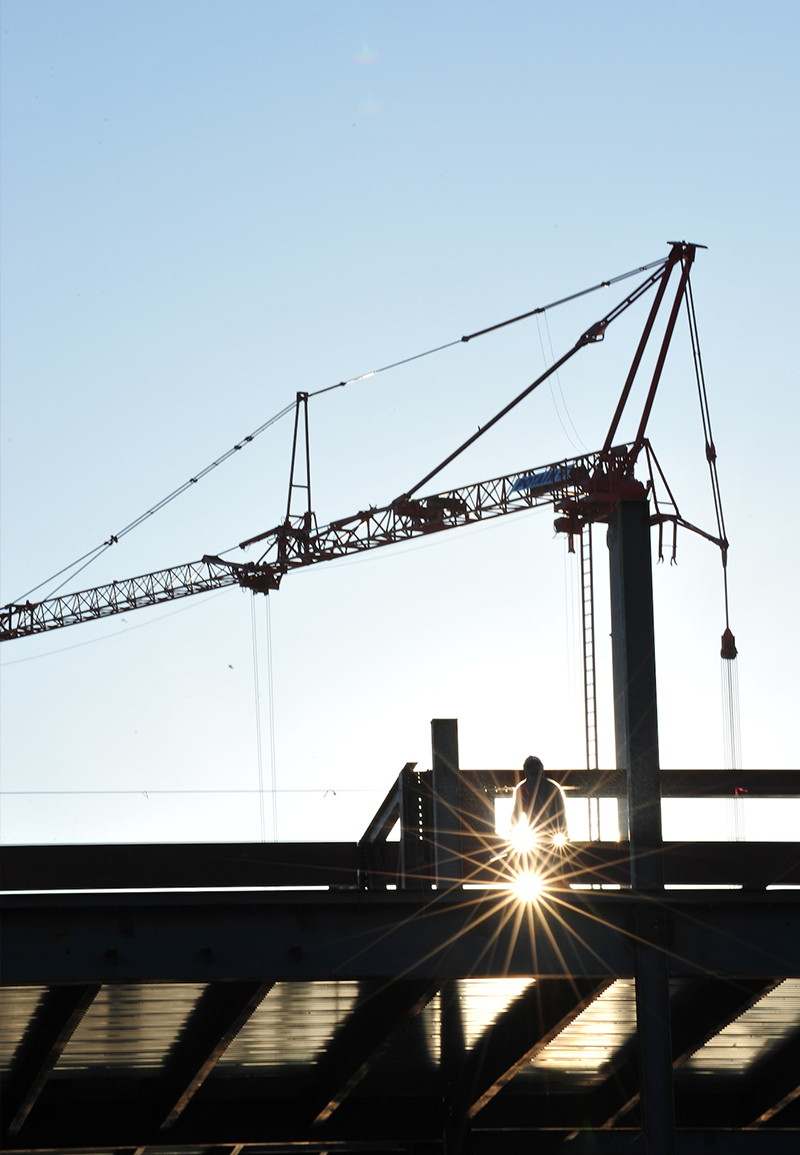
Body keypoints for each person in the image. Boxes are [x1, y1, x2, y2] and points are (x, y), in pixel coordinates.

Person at [511, 755, 568, 849]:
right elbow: (561, 814)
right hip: (551, 839)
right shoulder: (553, 787)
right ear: (541, 769)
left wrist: (510, 839)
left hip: (532, 838)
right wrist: (565, 837)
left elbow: (515, 816)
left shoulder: (522, 788)